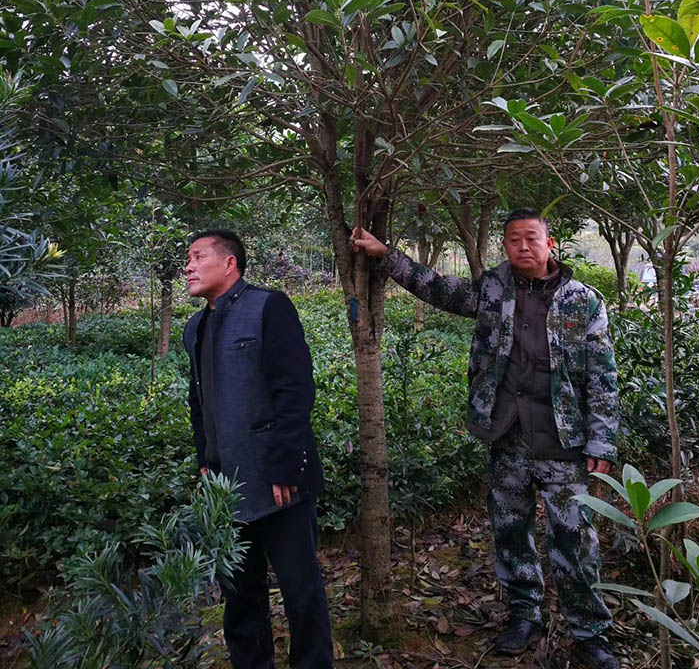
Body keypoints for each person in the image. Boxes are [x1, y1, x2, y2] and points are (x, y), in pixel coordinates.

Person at [352, 208, 619, 669]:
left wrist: (602, 442)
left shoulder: (583, 301)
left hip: (563, 439)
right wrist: (385, 255)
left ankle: (589, 633)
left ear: (550, 243)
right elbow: (437, 288)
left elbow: (603, 376)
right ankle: (525, 616)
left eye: (531, 238)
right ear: (505, 246)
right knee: (510, 531)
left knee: (574, 539)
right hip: (507, 433)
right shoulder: (492, 289)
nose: (522, 246)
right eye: (513, 239)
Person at [183, 229, 334, 669]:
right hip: (226, 486)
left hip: (278, 482)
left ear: (229, 263)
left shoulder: (269, 306)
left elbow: (295, 390)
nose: (188, 267)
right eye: (188, 259)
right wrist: (206, 460)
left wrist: (285, 465)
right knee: (240, 596)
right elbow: (199, 401)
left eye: (198, 257)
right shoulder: (195, 327)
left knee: (301, 591)